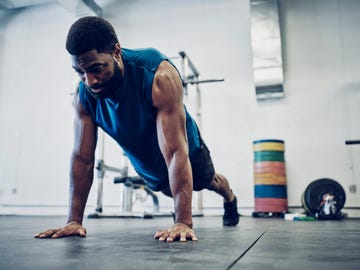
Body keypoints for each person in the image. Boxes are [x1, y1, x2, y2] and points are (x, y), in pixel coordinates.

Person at [35, 16, 239, 242]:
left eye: (96, 69)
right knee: (170, 191)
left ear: (116, 52)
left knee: (209, 182)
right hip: (149, 165)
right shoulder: (84, 96)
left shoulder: (157, 75)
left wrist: (182, 222)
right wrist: (74, 220)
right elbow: (82, 159)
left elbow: (174, 153)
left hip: (185, 153)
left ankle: (230, 198)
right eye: (80, 72)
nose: (89, 81)